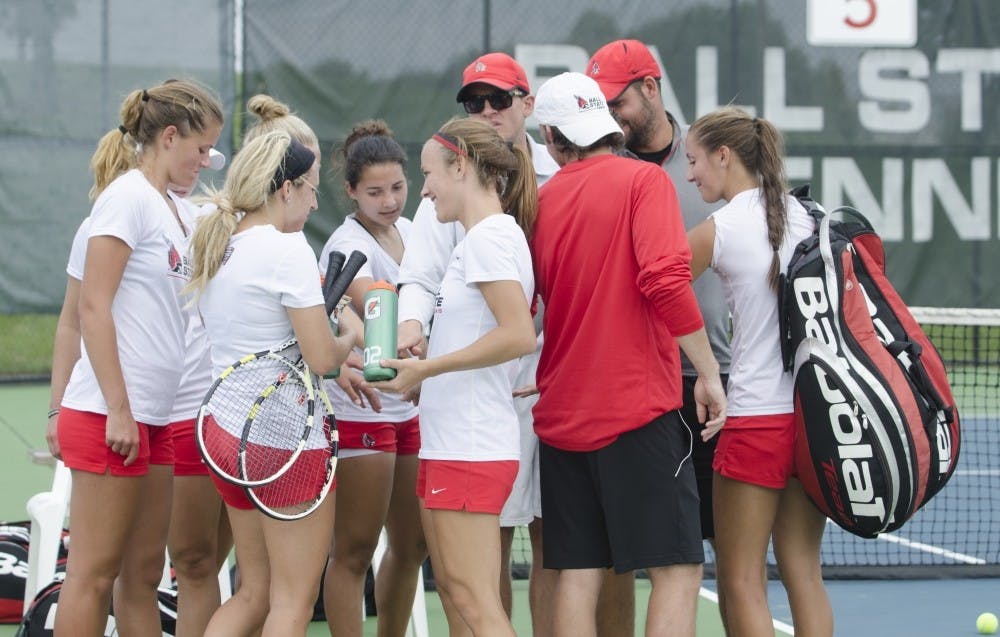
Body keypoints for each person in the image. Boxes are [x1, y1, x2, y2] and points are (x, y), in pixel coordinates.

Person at [397, 52, 638, 637]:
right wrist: (412, 333)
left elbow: (547, 310)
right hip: (483, 405)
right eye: (473, 101)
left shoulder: (560, 182)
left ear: (527, 106)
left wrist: (434, 367)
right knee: (471, 578)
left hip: (544, 396)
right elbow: (422, 280)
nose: (485, 110)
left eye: (498, 99)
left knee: (562, 547)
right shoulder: (460, 204)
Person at [530, 72, 727, 637]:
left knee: (579, 575)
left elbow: (534, 306)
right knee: (678, 570)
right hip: (636, 413)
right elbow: (666, 281)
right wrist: (708, 373)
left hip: (561, 417)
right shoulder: (644, 181)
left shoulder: (540, 202)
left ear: (552, 137)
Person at [53, 79, 224, 637]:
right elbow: (92, 308)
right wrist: (120, 409)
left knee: (144, 575)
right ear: (169, 136)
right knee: (93, 576)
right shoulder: (126, 198)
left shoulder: (172, 209)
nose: (206, 160)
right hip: (108, 418)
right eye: (201, 148)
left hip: (154, 418)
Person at [586, 38, 735, 624]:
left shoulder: (710, 156)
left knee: (731, 553)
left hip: (714, 380)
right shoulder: (601, 165)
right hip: (636, 391)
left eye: (616, 101)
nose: (609, 115)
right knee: (624, 554)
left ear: (650, 88)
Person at [371, 117, 538, 637]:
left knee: (472, 599)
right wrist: (427, 365)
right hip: (454, 441)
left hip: (471, 444)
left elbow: (518, 335)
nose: (423, 190)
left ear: (461, 165)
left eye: (428, 174)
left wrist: (429, 368)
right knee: (458, 592)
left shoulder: (490, 238)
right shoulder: (478, 239)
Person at [188, 129, 355, 637]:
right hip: (282, 442)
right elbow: (323, 358)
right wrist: (348, 333)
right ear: (287, 189)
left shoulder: (222, 244)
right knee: (292, 603)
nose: (314, 202)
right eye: (311, 190)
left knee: (254, 593)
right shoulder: (287, 249)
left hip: (224, 435)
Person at [685, 107, 832, 636]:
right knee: (804, 572)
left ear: (724, 156)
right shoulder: (812, 217)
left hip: (755, 421)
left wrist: (704, 370)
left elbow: (657, 292)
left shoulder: (719, 229)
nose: (690, 174)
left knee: (741, 578)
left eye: (695, 161)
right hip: (813, 419)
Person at [317, 120, 426, 637]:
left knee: (413, 546)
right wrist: (423, 354)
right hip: (363, 409)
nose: (389, 201)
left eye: (397, 188)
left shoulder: (415, 232)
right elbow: (379, 314)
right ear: (352, 191)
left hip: (413, 408)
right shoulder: (345, 245)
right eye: (375, 192)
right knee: (355, 550)